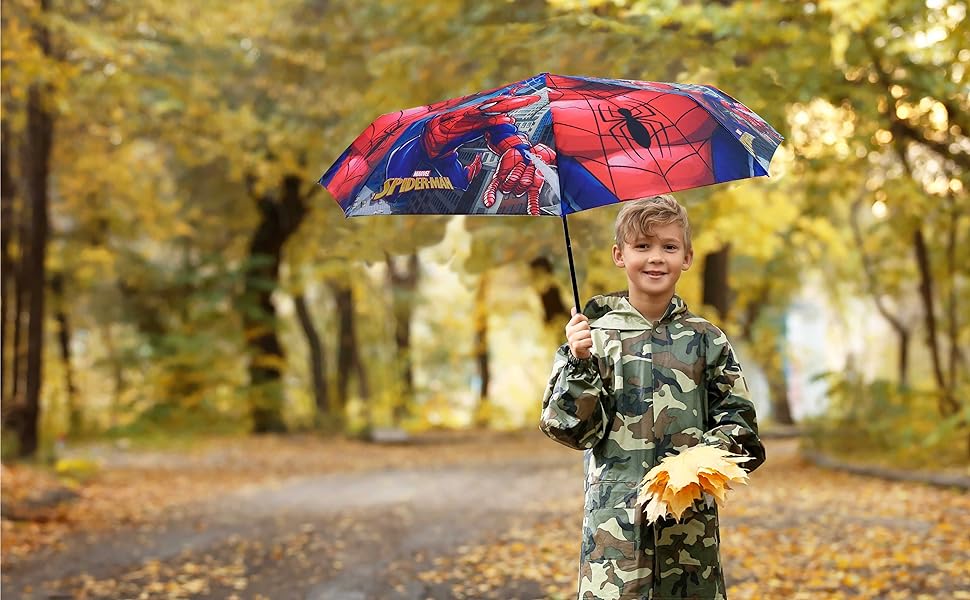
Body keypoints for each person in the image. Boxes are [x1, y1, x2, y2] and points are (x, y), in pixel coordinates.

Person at [540, 194, 766, 600]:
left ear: (688, 258)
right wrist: (578, 363)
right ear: (619, 255)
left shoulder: (705, 339)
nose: (655, 258)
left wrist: (696, 462)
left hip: (689, 533)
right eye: (642, 246)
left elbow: (742, 430)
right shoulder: (594, 338)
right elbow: (571, 430)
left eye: (669, 246)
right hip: (614, 539)